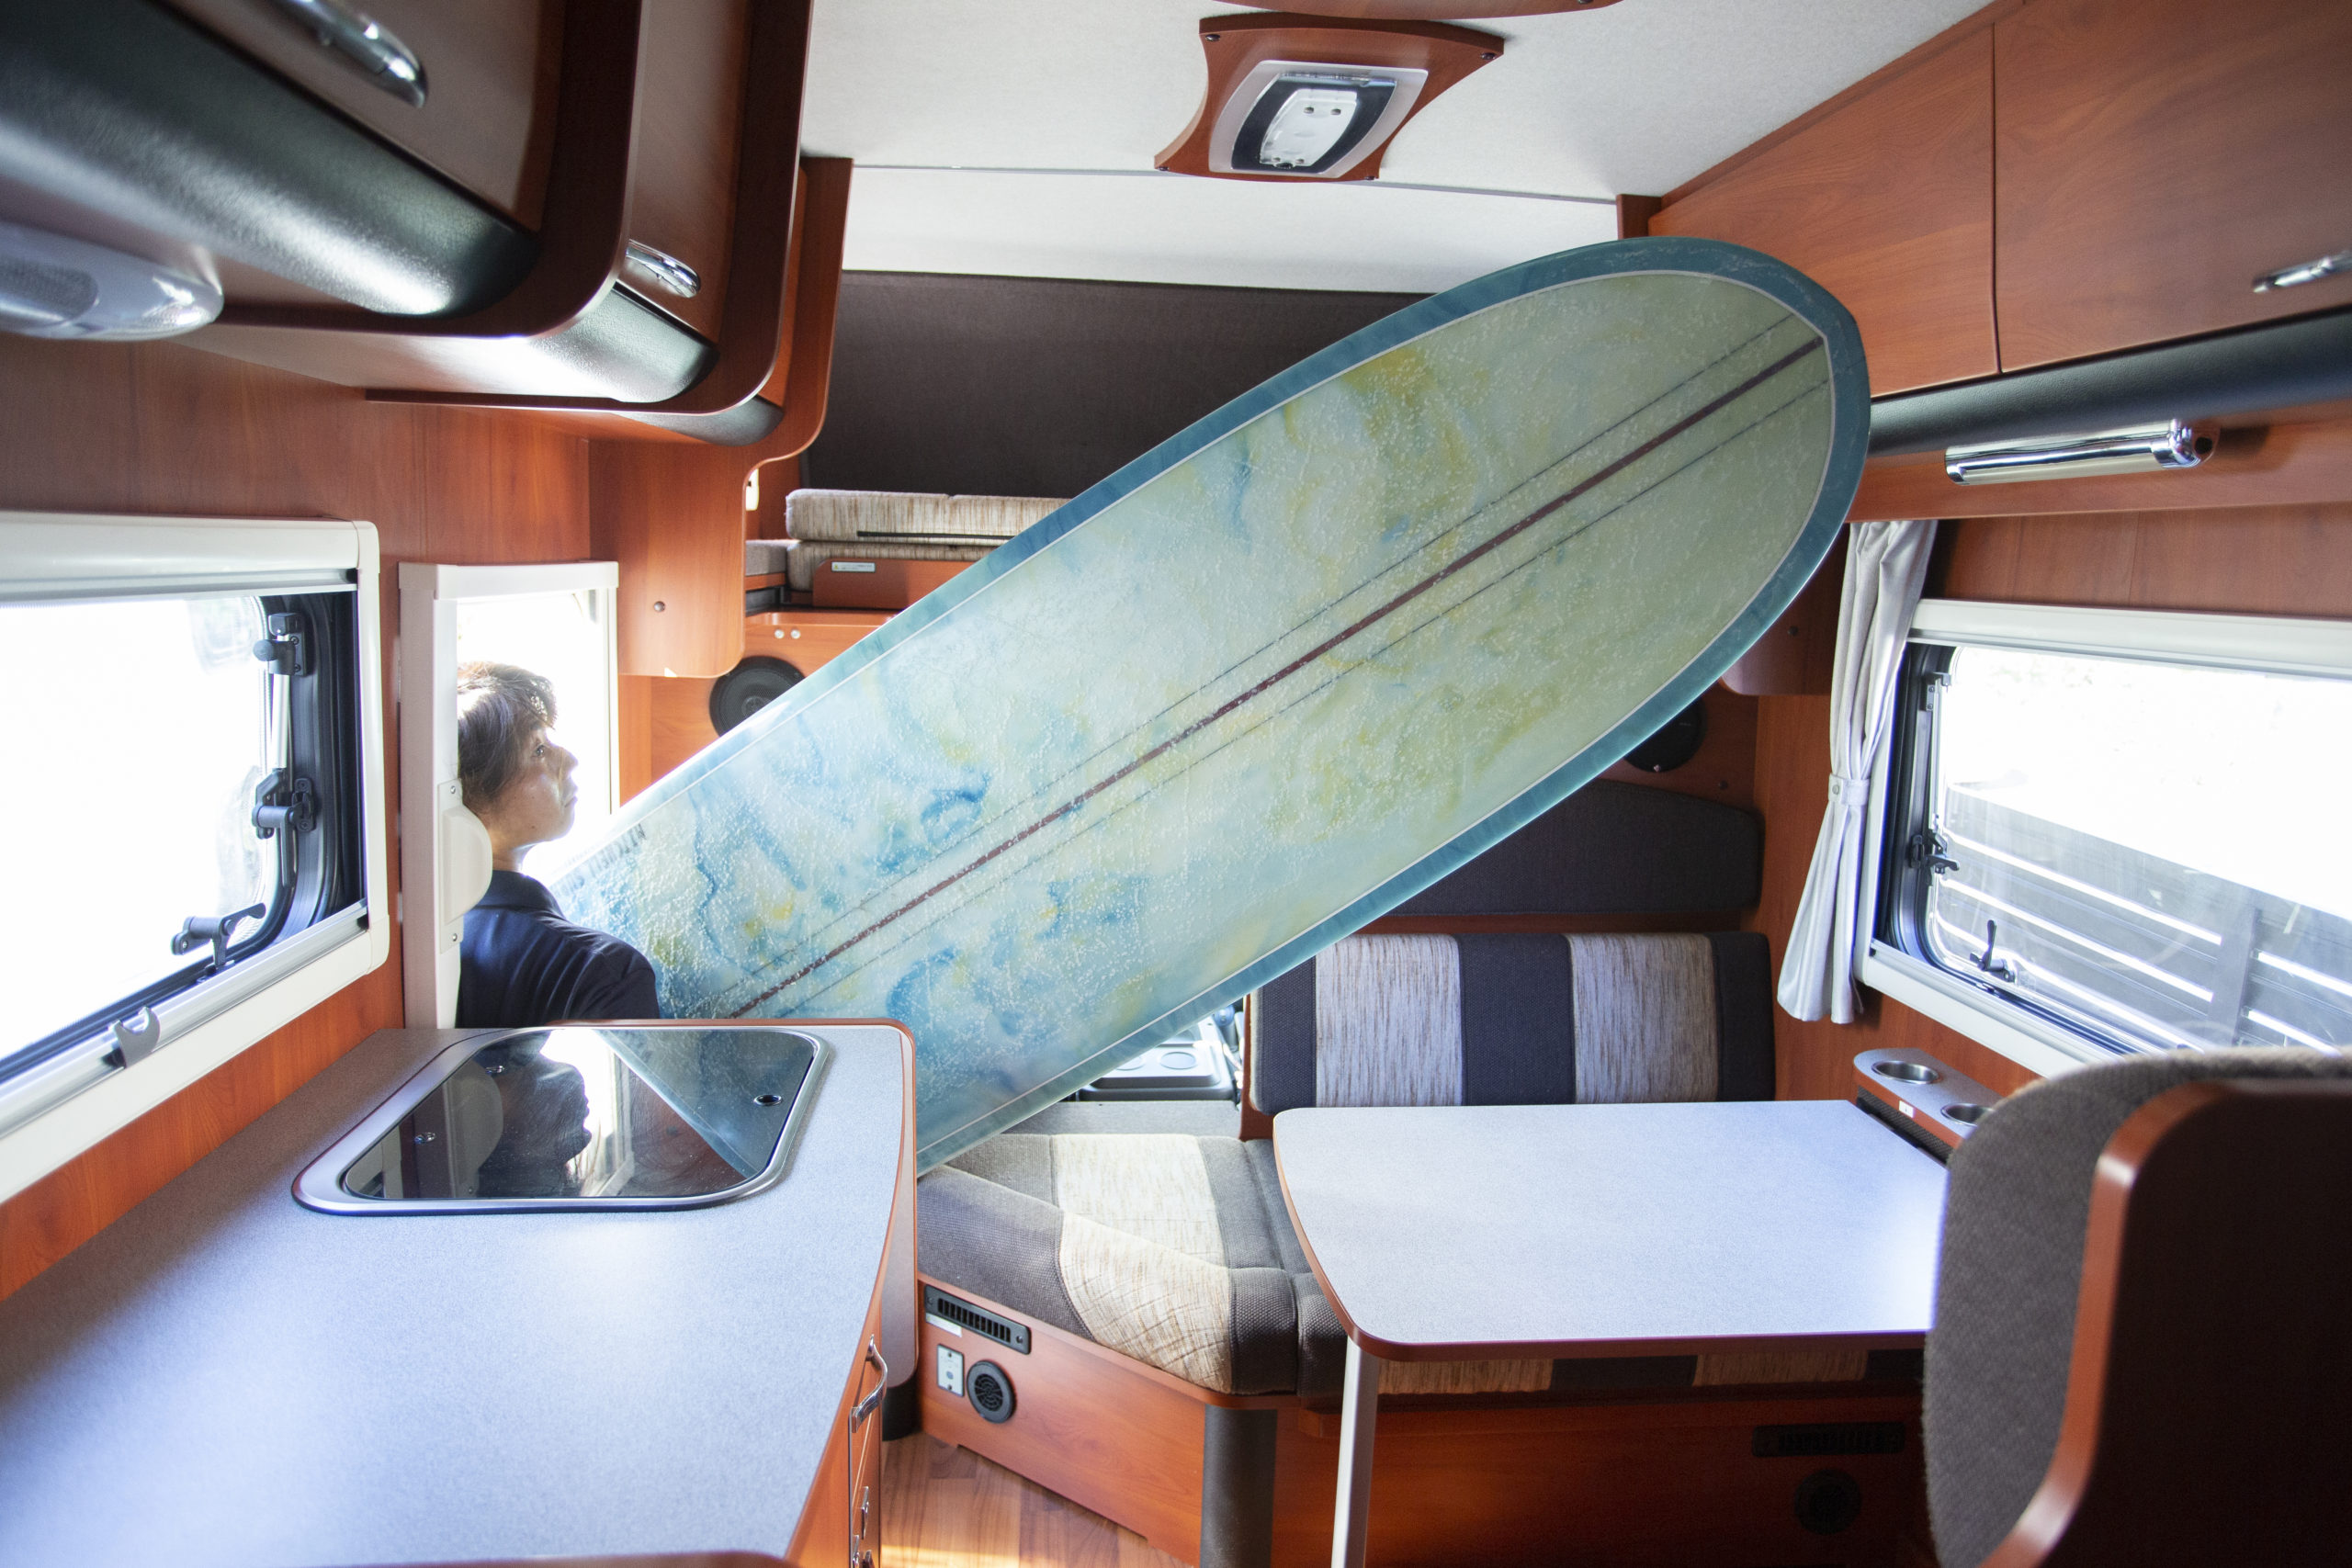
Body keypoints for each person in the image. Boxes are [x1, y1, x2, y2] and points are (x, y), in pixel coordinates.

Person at [455, 661, 661, 1027]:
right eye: (538, 750)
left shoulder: (438, 938)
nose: (570, 760)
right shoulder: (603, 972)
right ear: (468, 795)